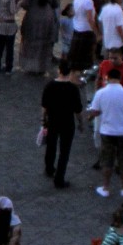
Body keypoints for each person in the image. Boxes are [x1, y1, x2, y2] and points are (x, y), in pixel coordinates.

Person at [89, 64, 123, 198]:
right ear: (119, 78)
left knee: (107, 160)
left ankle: (105, 187)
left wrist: (89, 116)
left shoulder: (101, 93)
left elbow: (94, 111)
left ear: (107, 77)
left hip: (107, 132)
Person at [42, 60, 83, 190]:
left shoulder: (50, 86)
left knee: (51, 146)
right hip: (67, 123)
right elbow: (78, 110)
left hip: (52, 121)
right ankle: (59, 178)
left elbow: (44, 106)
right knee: (64, 151)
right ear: (70, 72)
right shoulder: (73, 89)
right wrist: (81, 123)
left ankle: (49, 168)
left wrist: (43, 121)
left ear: (59, 70)